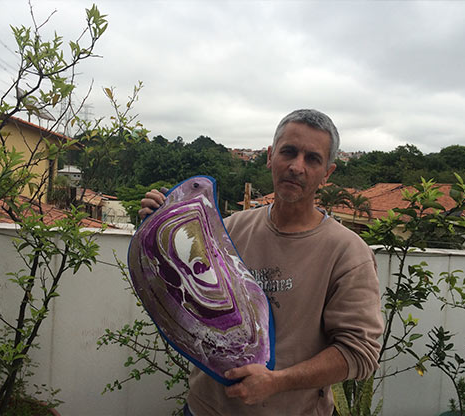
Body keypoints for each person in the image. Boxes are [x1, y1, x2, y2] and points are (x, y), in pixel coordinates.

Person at [139, 109, 384, 416]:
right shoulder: (228, 229)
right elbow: (179, 287)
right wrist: (156, 227)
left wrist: (277, 382)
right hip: (204, 409)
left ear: (327, 173)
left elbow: (359, 353)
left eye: (312, 159)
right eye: (288, 152)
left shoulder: (348, 252)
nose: (296, 167)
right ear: (270, 156)